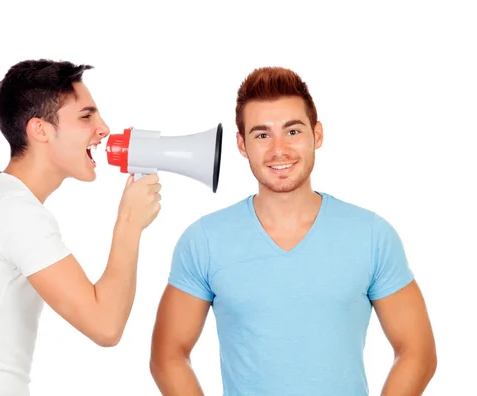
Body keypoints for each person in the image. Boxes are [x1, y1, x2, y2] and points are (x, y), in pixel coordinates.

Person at [149, 66, 437, 395]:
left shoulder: (372, 235)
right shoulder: (204, 240)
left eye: (292, 131)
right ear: (242, 145)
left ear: (317, 134)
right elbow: (167, 355)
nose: (278, 149)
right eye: (261, 134)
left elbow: (418, 352)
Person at [0, 59, 162, 396]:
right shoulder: (17, 211)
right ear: (40, 130)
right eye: (86, 116)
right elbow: (106, 326)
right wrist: (129, 223)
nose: (103, 128)